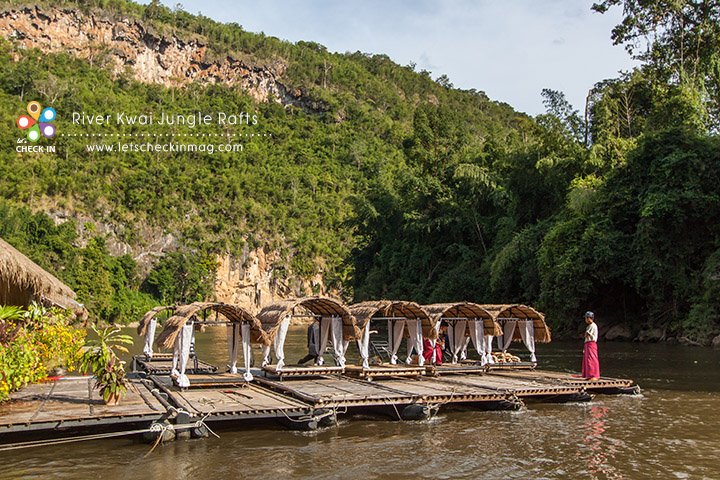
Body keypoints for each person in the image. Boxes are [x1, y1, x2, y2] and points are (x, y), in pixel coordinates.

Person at [582, 311, 600, 380]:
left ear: (589, 318)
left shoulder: (592, 325)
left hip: (591, 344)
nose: (585, 320)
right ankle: (589, 375)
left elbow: (587, 334)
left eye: (586, 318)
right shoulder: (590, 326)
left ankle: (593, 375)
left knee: (591, 359)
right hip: (588, 344)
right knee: (587, 359)